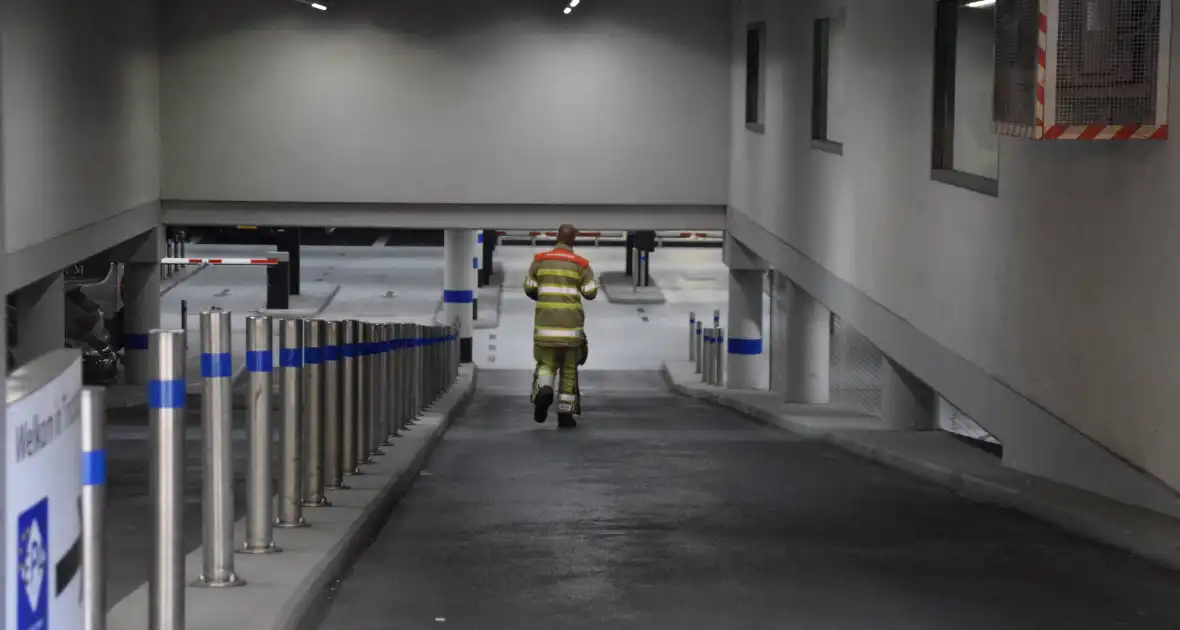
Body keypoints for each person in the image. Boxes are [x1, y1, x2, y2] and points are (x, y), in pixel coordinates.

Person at [523, 224, 598, 428]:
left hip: (545, 327)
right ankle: (565, 415)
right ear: (573, 240)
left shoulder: (539, 260)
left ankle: (544, 389)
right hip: (571, 330)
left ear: (557, 238)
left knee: (546, 364)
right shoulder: (581, 264)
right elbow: (590, 292)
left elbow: (529, 287)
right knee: (569, 369)